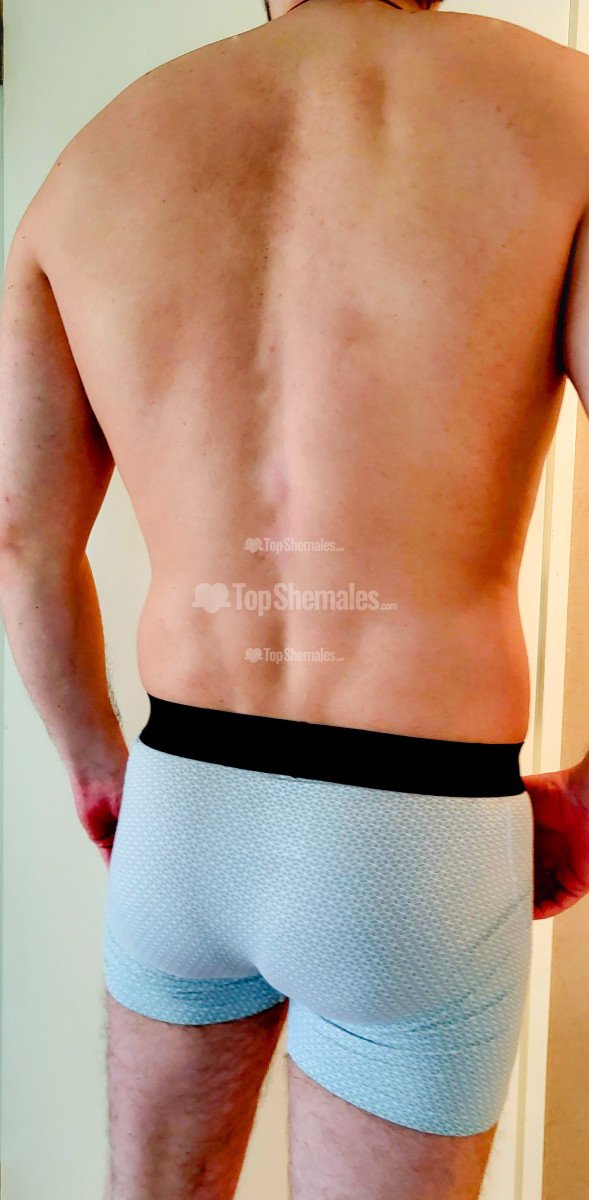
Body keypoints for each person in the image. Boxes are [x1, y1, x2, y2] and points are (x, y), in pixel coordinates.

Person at [1, 0, 589, 1196]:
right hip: (419, 828)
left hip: (184, 796)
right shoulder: (561, 114)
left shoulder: (98, 158)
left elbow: (21, 541)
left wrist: (99, 766)